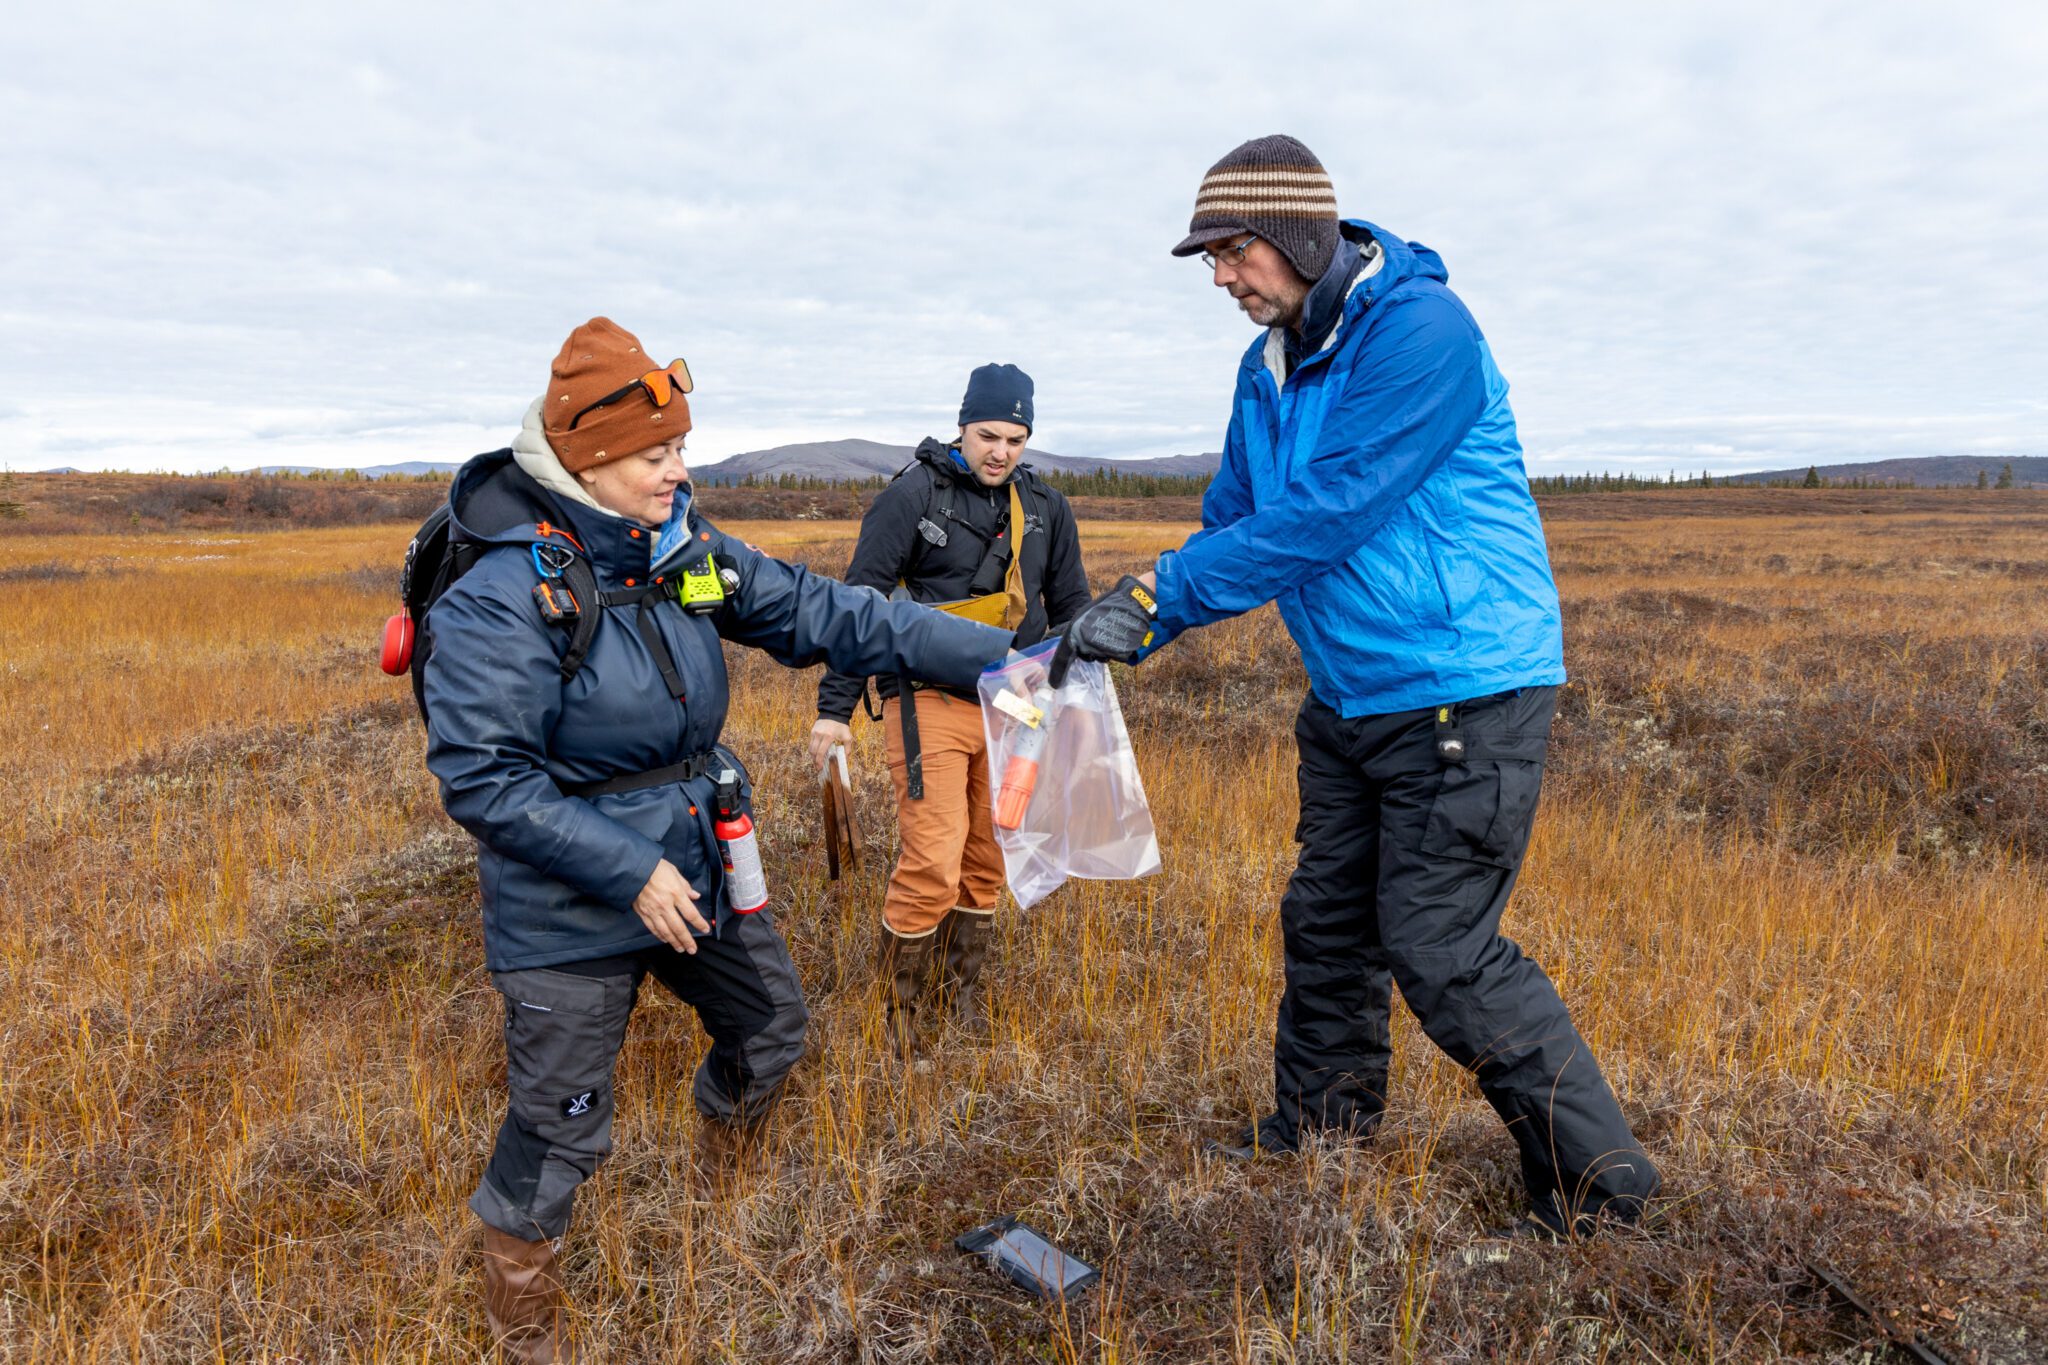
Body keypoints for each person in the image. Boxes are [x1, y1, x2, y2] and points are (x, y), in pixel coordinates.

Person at [1054, 135, 1660, 1239]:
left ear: (1294, 236)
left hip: (1461, 689)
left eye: (1231, 252)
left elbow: (1332, 511)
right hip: (1347, 699)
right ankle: (1322, 1129)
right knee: (1326, 923)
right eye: (1208, 262)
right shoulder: (1266, 366)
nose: (1221, 279)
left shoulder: (1422, 332)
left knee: (1437, 945)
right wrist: (1133, 608)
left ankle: (1602, 1190)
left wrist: (1161, 602)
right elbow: (1237, 517)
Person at [422, 318, 1013, 1360]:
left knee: (770, 1033)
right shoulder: (502, 596)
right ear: (582, 459)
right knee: (560, 1131)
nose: (677, 471)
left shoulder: (682, 553)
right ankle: (525, 1331)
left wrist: (1010, 658)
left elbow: (840, 617)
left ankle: (717, 1197)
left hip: (693, 860)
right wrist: (628, 869)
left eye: (680, 448)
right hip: (568, 904)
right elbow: (484, 779)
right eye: (656, 456)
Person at [807, 364, 1091, 1056]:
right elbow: (858, 605)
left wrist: (1081, 694)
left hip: (1016, 703)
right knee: (933, 857)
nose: (1001, 450)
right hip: (926, 696)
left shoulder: (1046, 508)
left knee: (987, 858)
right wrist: (834, 709)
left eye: (1016, 438)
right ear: (962, 425)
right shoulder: (911, 497)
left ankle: (958, 1005)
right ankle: (901, 1021)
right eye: (988, 434)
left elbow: (1076, 607)